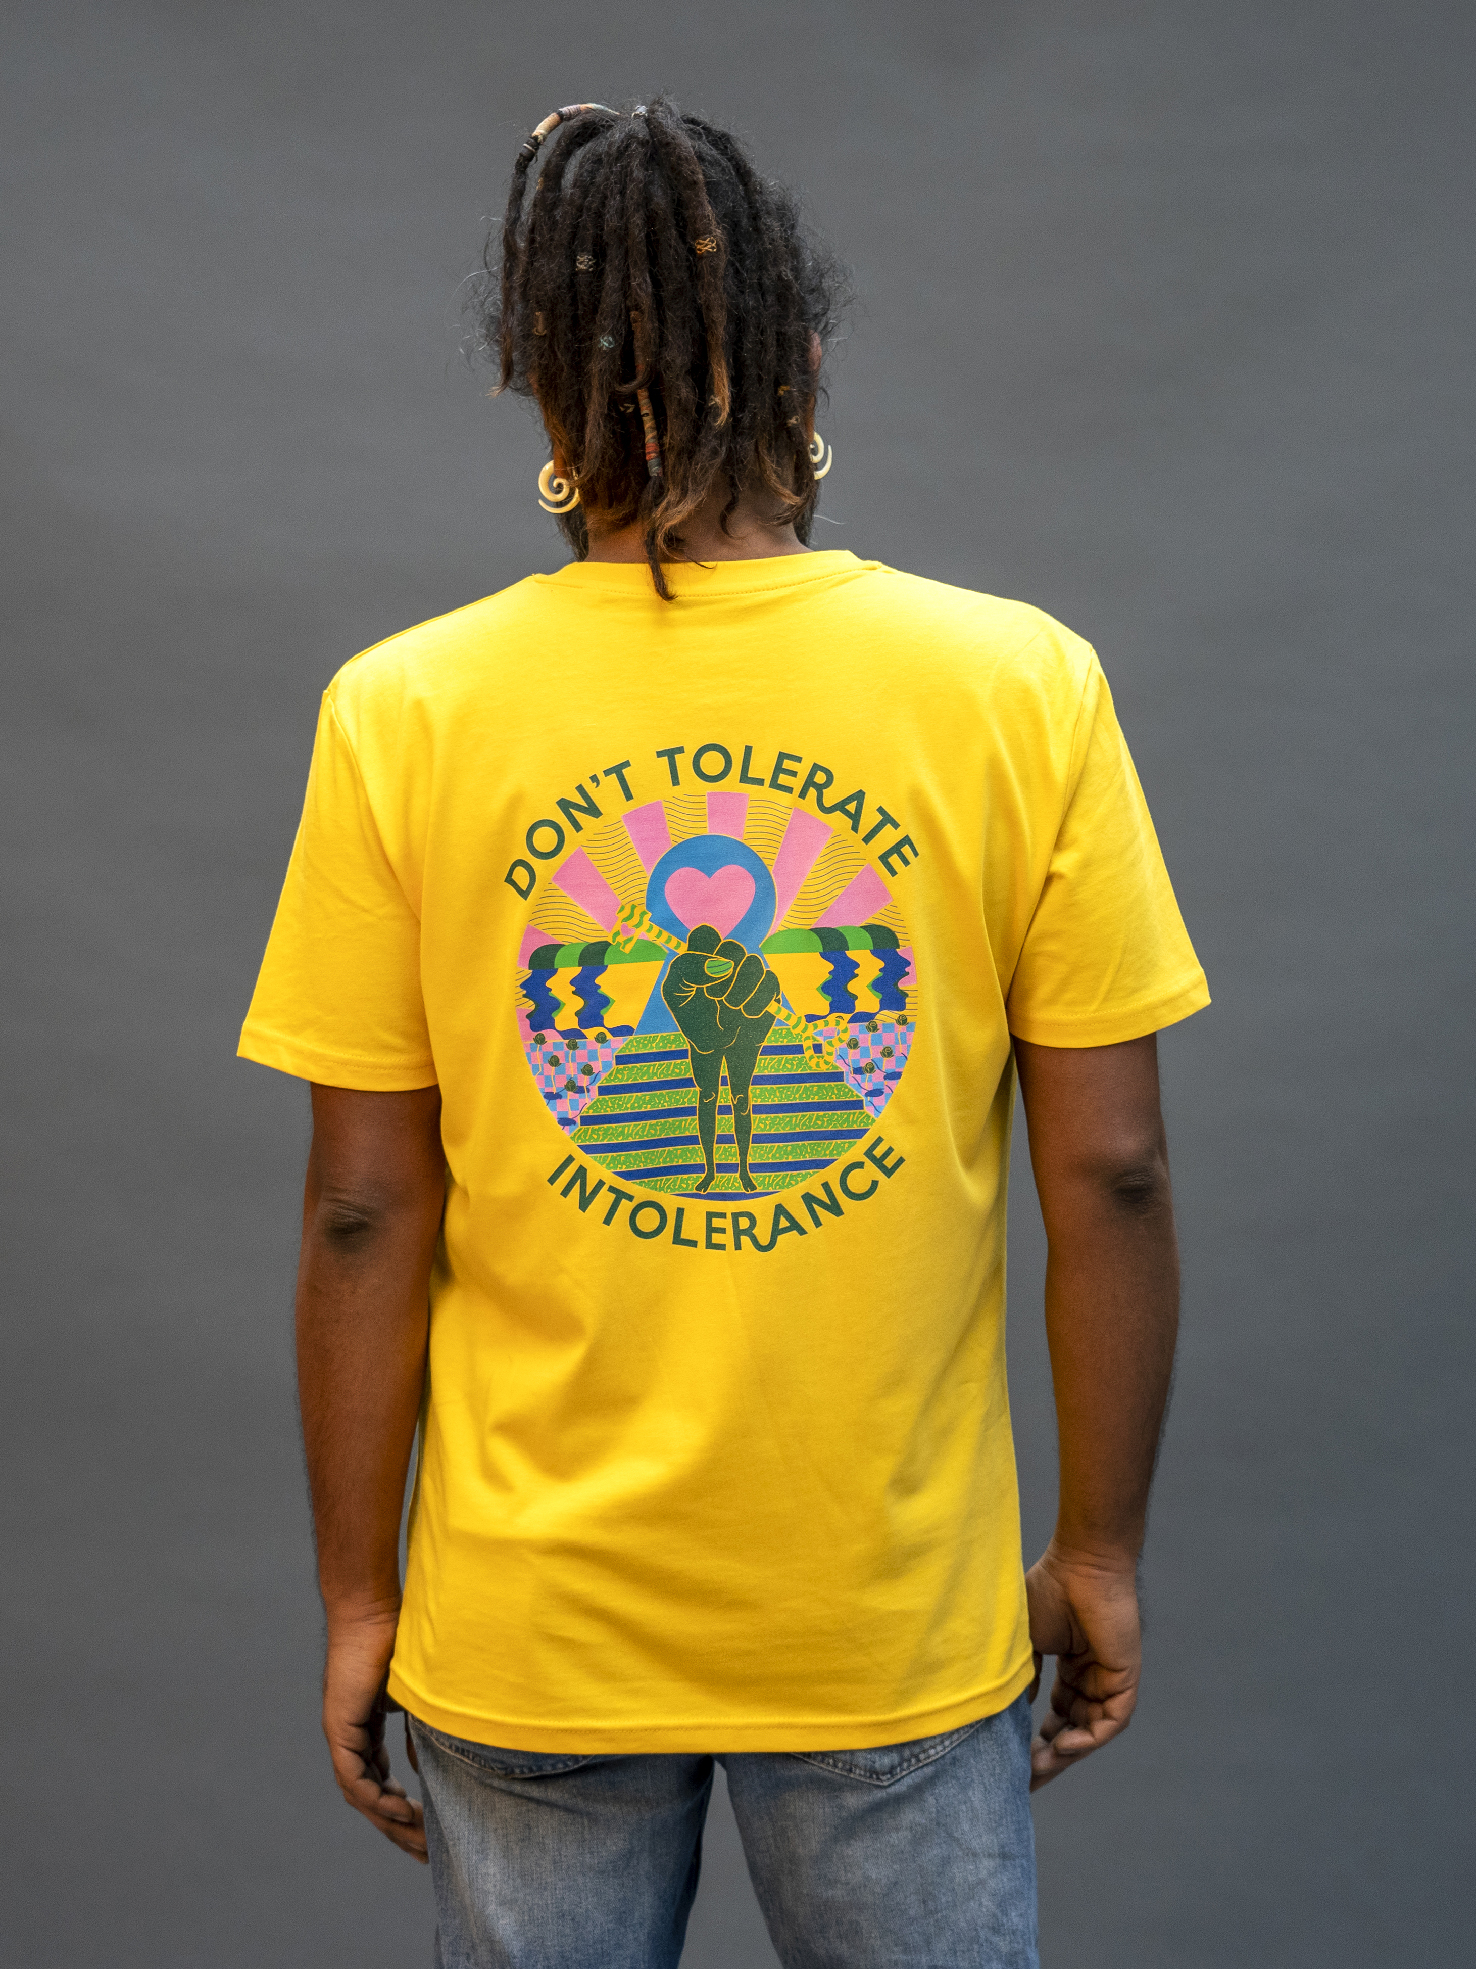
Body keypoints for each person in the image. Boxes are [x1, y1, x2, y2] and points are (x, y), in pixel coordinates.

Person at [240, 97, 1209, 1969]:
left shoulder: (403, 710)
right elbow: (1114, 1171)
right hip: (888, 1620)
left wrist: (360, 1592)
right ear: (807, 362)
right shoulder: (1019, 683)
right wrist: (1097, 1551)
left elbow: (363, 1207)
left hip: (528, 1626)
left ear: (539, 384)